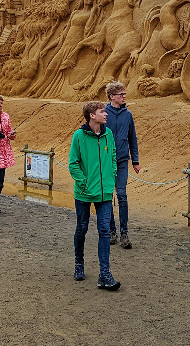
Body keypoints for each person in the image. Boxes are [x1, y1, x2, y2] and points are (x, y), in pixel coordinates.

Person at [68, 101, 120, 290]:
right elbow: (73, 163)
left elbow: (113, 157)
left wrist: (111, 177)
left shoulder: (108, 134)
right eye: (101, 111)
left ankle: (104, 274)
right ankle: (79, 263)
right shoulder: (79, 136)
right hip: (84, 193)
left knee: (104, 231)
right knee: (82, 228)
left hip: (105, 193)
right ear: (92, 115)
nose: (105, 114)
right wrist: (84, 182)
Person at [104, 81, 140, 249]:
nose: (124, 97)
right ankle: (112, 231)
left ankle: (124, 233)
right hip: (106, 162)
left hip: (123, 161)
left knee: (122, 195)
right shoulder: (104, 114)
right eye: (121, 94)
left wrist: (135, 160)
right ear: (112, 96)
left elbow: (133, 138)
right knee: (107, 196)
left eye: (124, 94)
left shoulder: (128, 114)